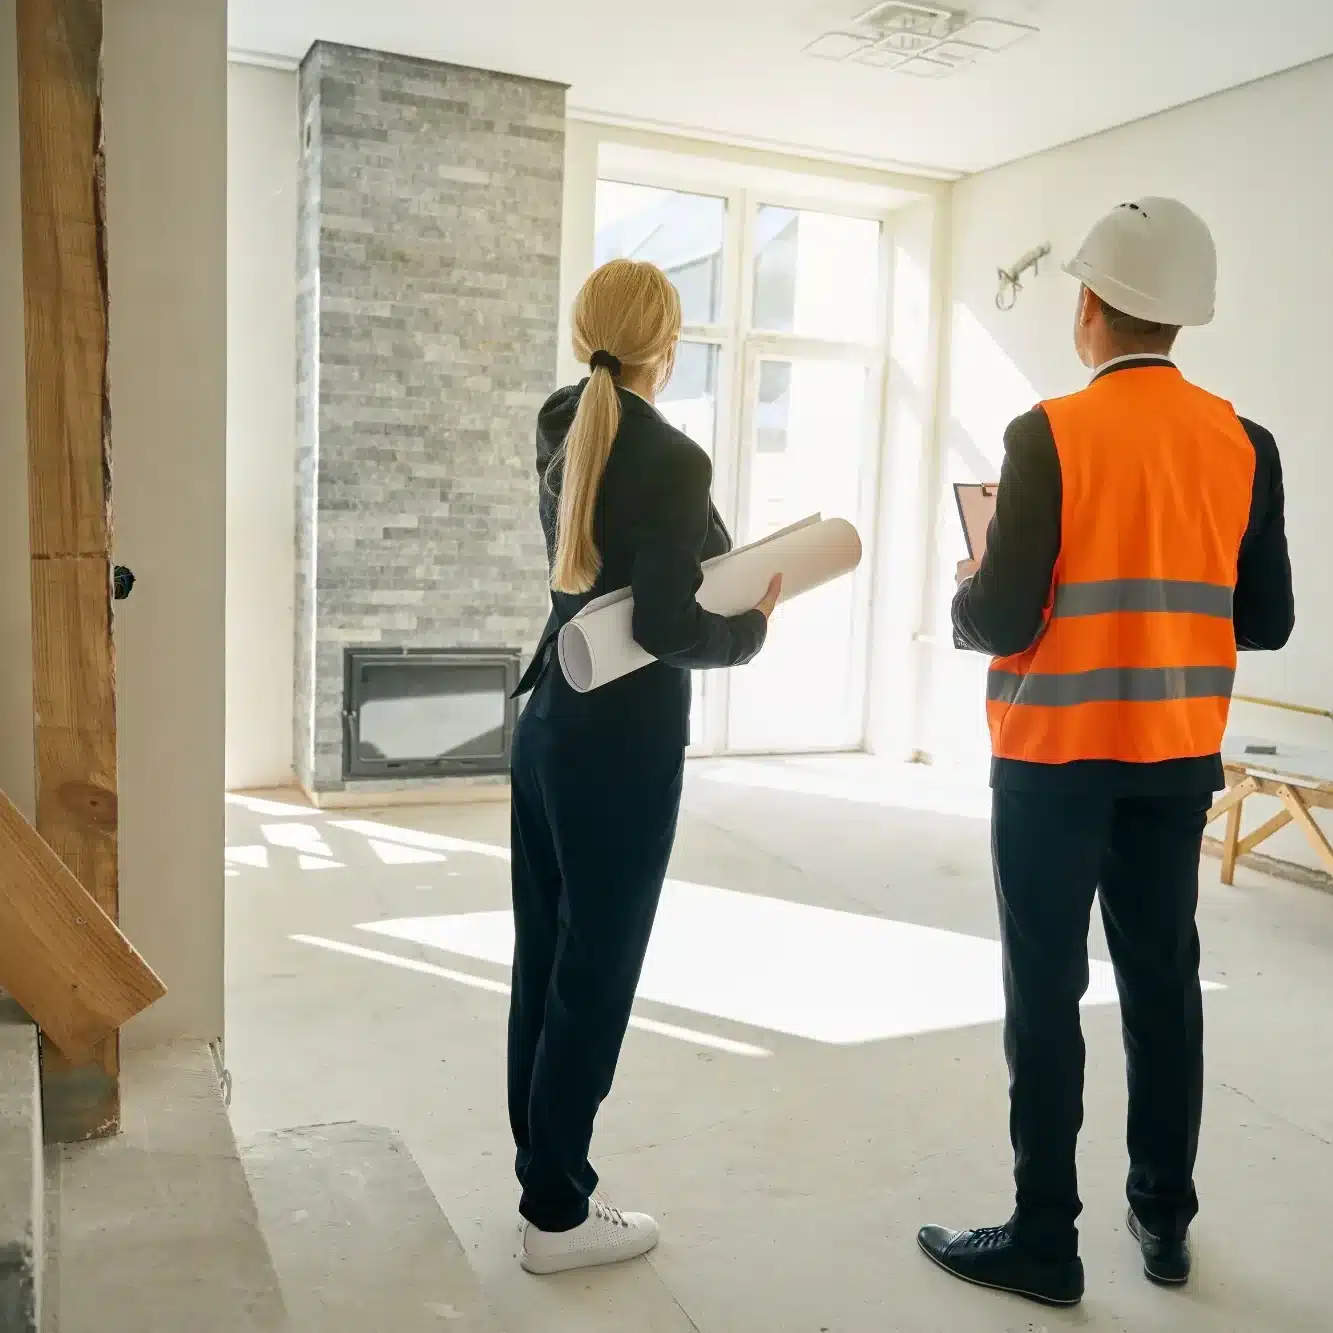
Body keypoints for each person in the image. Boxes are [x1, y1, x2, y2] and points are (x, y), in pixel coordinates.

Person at [917, 197, 1294, 1307]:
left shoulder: (1046, 436)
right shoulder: (1244, 444)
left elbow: (1004, 613)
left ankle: (1045, 1239)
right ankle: (1163, 1223)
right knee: (1161, 984)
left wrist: (962, 594)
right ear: (1181, 320)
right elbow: (1263, 619)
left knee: (1046, 990)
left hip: (1051, 759)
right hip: (1175, 758)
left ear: (1087, 308)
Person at [507, 257, 781, 1275]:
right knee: (597, 968)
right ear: (669, 345)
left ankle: (544, 1179)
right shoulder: (670, 457)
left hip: (546, 722)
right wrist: (749, 626)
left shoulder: (557, 422)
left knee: (547, 958)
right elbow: (670, 621)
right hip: (618, 747)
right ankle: (557, 1212)